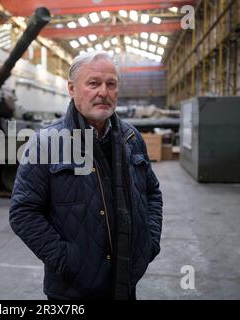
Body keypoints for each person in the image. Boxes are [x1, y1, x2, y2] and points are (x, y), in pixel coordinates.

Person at [9, 50, 163, 300]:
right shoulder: (46, 143)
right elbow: (23, 212)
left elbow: (152, 193)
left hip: (125, 283)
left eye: (110, 84)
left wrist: (149, 244)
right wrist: (68, 261)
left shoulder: (131, 139)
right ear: (72, 89)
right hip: (71, 291)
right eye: (93, 83)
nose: (103, 92)